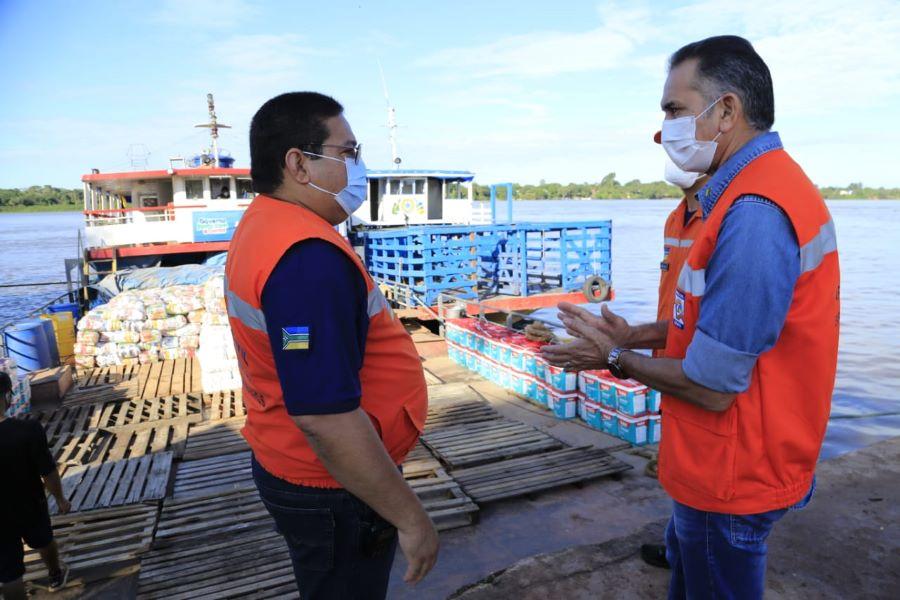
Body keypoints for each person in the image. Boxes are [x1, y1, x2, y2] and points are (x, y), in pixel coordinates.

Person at [542, 35, 839, 599]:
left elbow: (712, 385)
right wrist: (633, 334)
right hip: (719, 459)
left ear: (726, 111)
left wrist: (611, 356)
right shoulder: (748, 194)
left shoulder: (754, 212)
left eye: (675, 110)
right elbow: (712, 320)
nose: (665, 129)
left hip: (734, 468)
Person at [225, 92, 438, 599]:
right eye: (347, 152)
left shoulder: (267, 224)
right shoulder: (306, 259)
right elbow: (324, 417)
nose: (358, 167)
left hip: (289, 456)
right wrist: (411, 519)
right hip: (332, 488)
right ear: (299, 164)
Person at [0, 372, 71, 598]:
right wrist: (60, 499)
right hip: (30, 504)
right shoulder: (28, 431)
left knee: (10, 575)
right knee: (43, 539)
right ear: (7, 397)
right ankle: (55, 574)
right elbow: (48, 472)